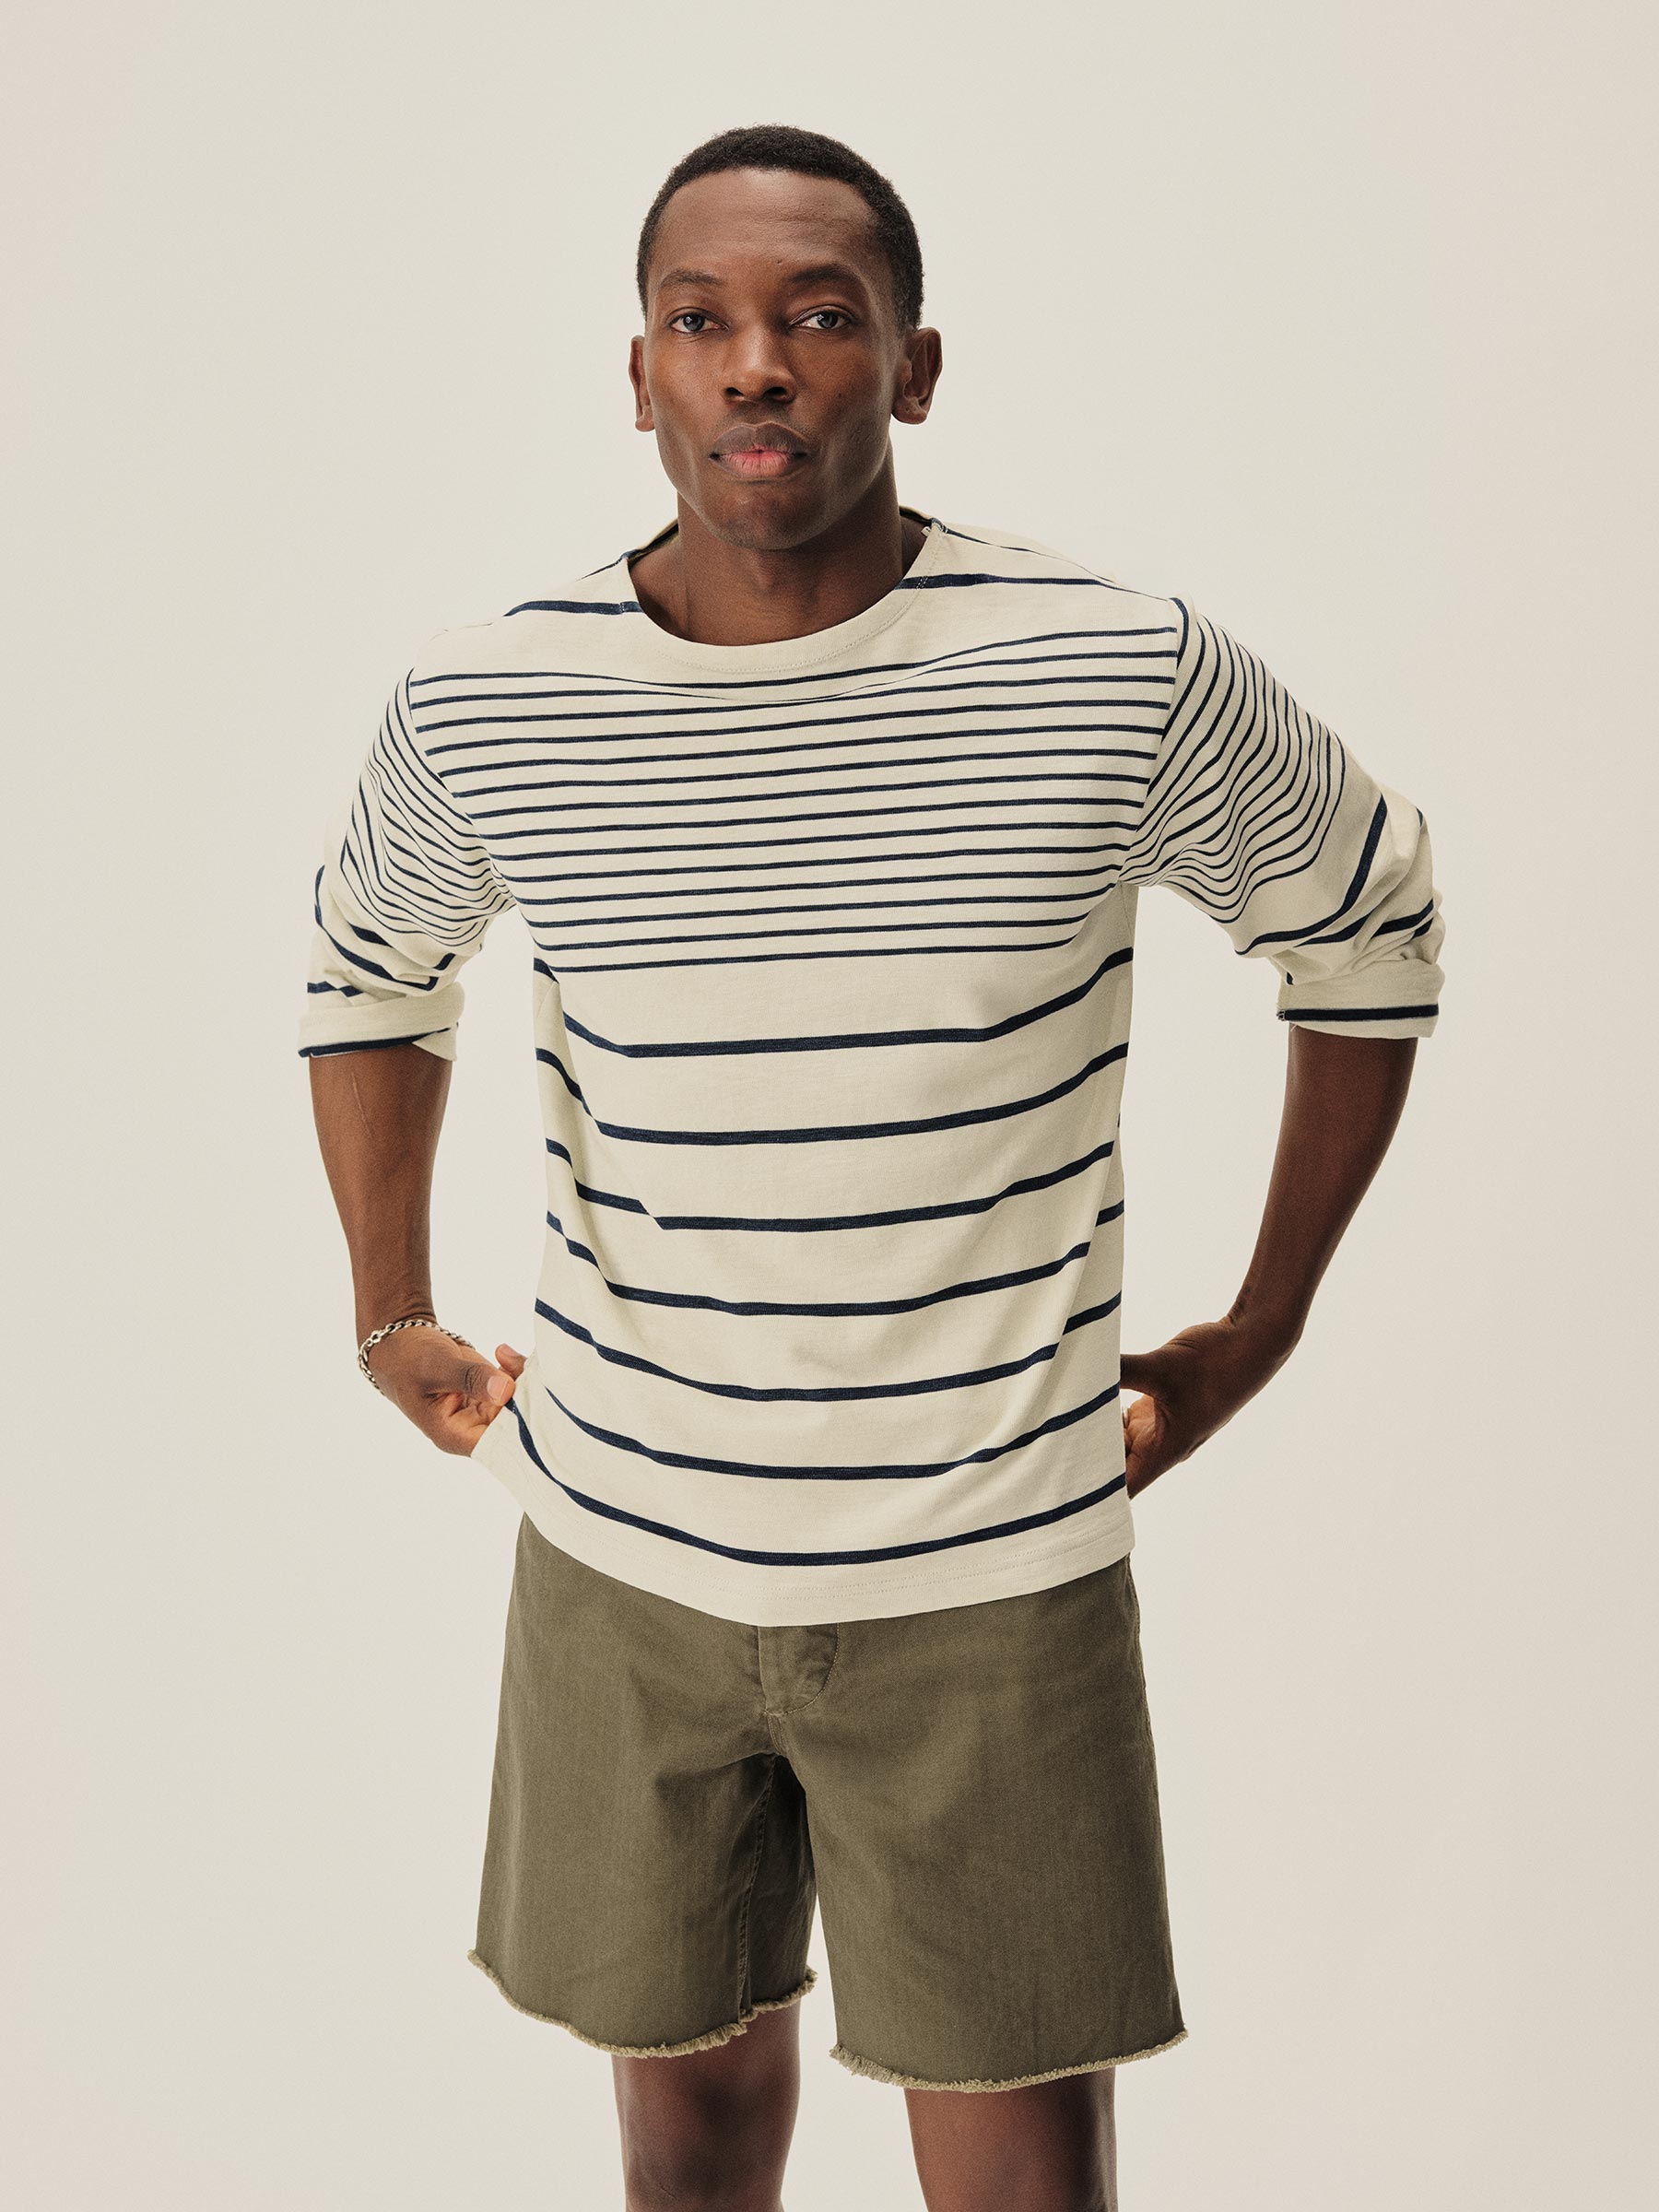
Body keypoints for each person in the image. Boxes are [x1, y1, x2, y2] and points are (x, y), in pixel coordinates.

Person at [299, 123, 1444, 2212]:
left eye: (821, 316)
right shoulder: (493, 702)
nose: (758, 363)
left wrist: (1261, 1327)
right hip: (628, 1559)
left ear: (914, 367)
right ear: (637, 374)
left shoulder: (1115, 666)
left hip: (990, 1579)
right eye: (700, 320)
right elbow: (369, 970)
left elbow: (1367, 928)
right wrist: (390, 1309)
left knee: (1021, 2170)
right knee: (685, 2138)